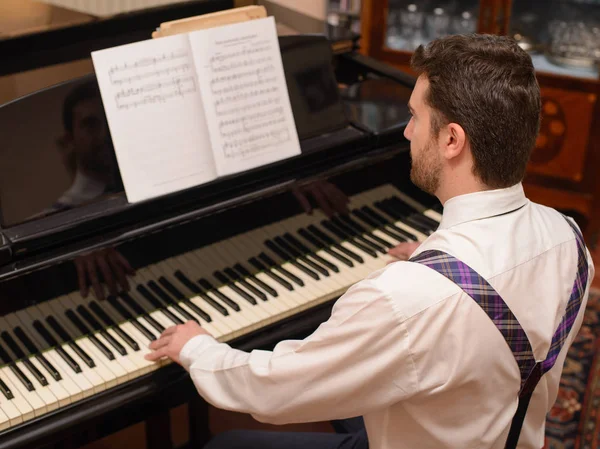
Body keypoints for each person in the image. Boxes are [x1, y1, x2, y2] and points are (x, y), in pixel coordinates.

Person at [145, 33, 595, 448]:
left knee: (227, 445)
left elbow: (275, 388)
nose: (406, 131)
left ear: (452, 140)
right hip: (492, 430)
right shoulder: (571, 241)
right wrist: (431, 260)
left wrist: (198, 348)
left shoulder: (405, 299)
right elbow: (497, 297)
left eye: (415, 116)